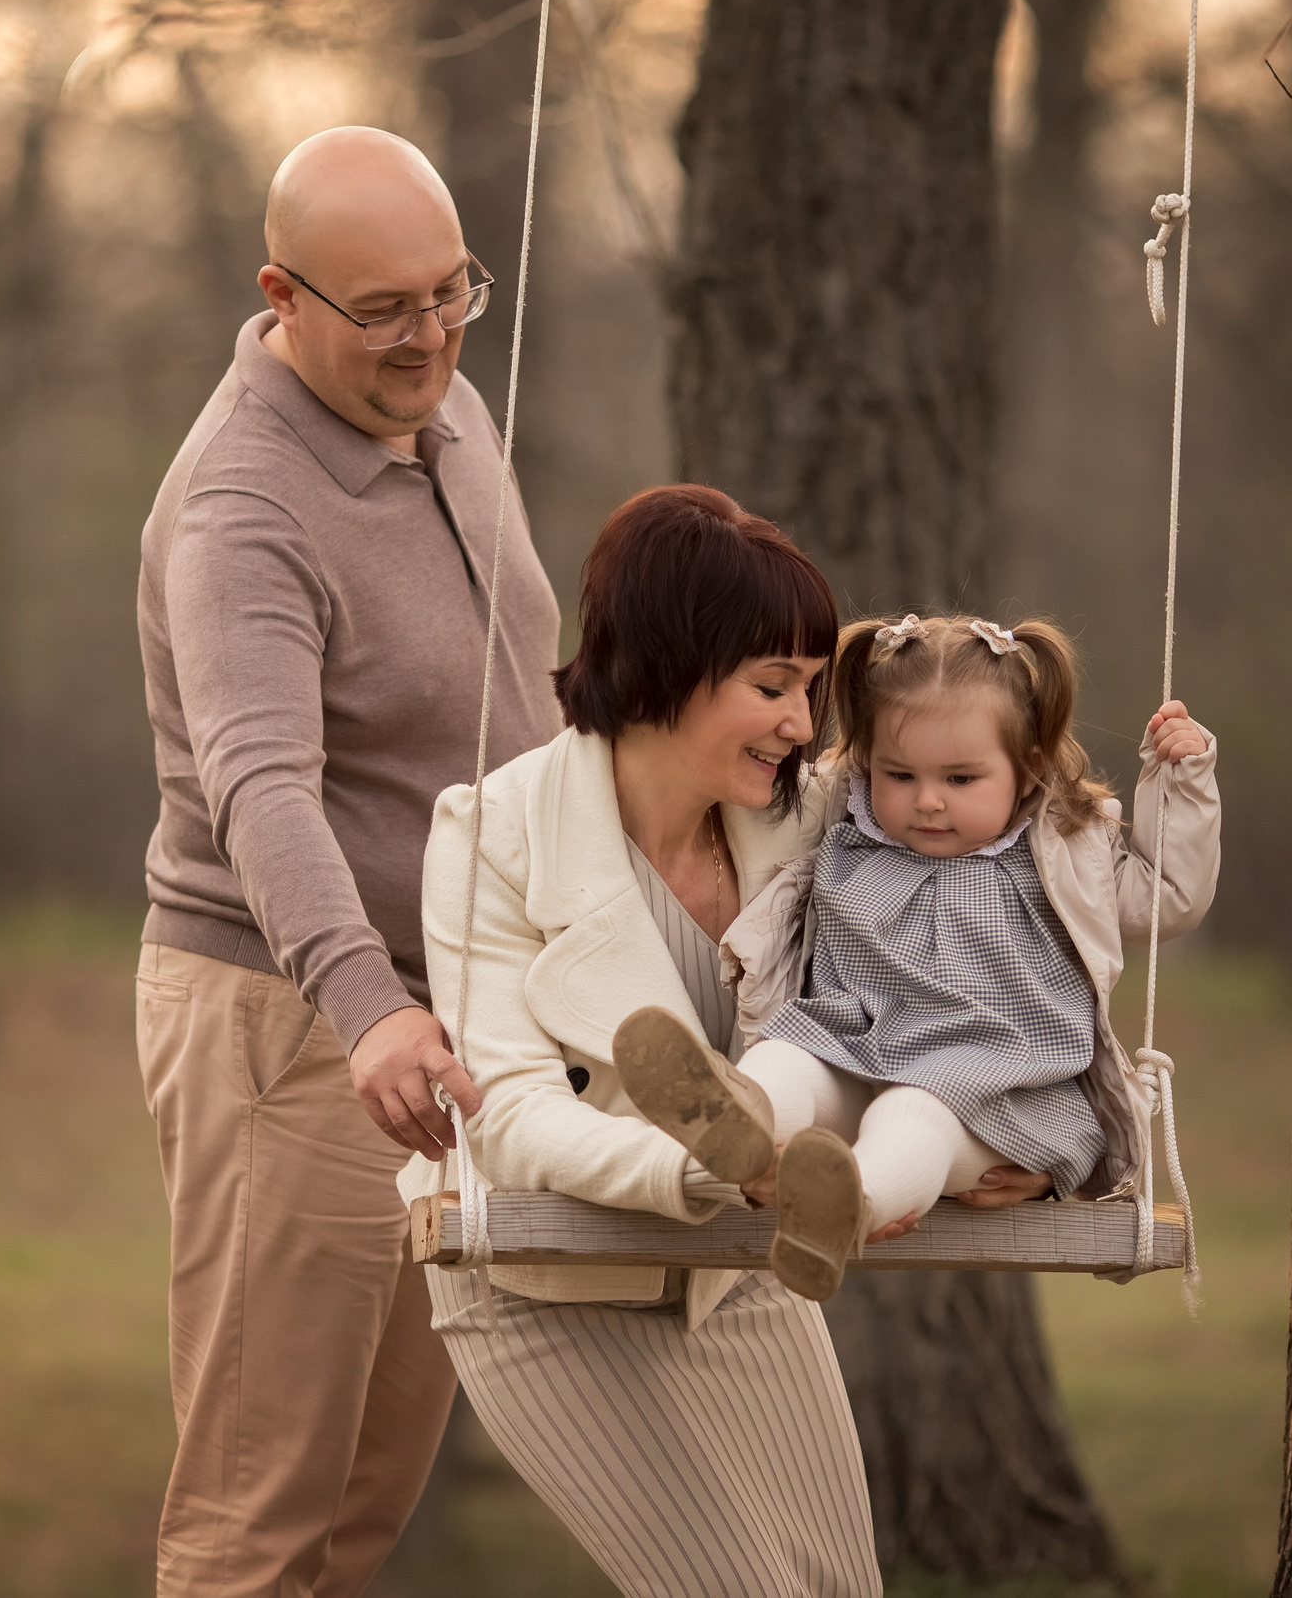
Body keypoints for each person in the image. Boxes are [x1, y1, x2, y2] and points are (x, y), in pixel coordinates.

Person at [406, 486, 1050, 1598]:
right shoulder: (494, 833)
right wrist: (716, 1171)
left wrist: (1023, 1138)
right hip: (549, 1279)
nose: (805, 725)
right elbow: (507, 1114)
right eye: (772, 688)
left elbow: (982, 963)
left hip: (740, 1277)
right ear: (663, 671)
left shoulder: (818, 816)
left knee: (841, 1589)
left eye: (807, 689)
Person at [135, 125, 561, 1597]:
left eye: (453, 293)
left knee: (365, 1508)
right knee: (258, 1524)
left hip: (450, 1025)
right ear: (283, 293)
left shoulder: (443, 403)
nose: (428, 333)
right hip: (295, 1022)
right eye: (384, 307)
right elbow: (261, 784)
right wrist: (365, 1004)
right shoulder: (243, 505)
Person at [615, 611, 1220, 1301]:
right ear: (869, 760)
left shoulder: (1064, 845)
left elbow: (1169, 895)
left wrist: (1184, 781)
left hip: (991, 1094)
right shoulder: (852, 820)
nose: (926, 801)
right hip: (851, 1049)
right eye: (900, 773)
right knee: (782, 1059)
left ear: (1029, 767)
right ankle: (740, 1123)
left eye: (961, 779)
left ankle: (845, 1209)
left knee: (913, 1119)